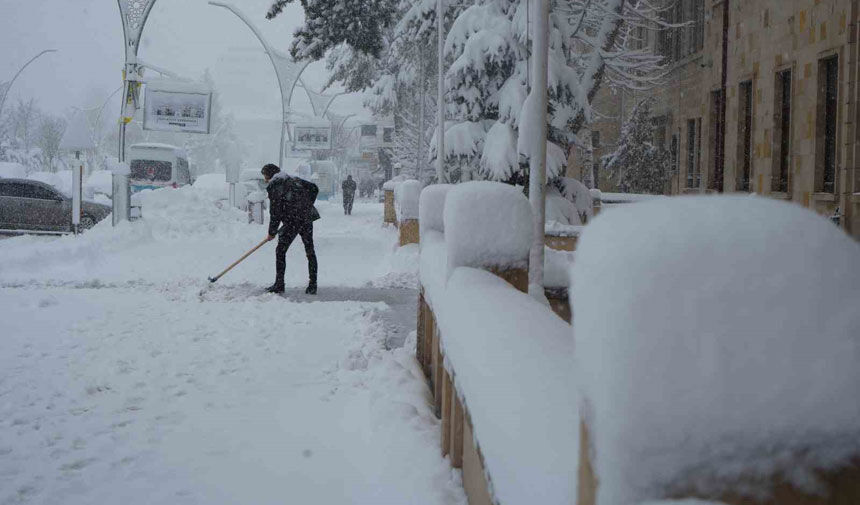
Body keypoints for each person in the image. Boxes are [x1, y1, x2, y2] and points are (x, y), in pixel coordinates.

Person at [261, 163, 320, 294]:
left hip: (293, 221)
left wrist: (272, 232)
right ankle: (313, 284)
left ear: (270, 175)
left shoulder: (275, 185)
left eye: (265, 176)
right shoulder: (293, 179)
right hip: (306, 217)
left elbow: (275, 212)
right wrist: (307, 205)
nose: (265, 180)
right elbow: (314, 188)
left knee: (280, 251)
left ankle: (279, 284)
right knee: (309, 250)